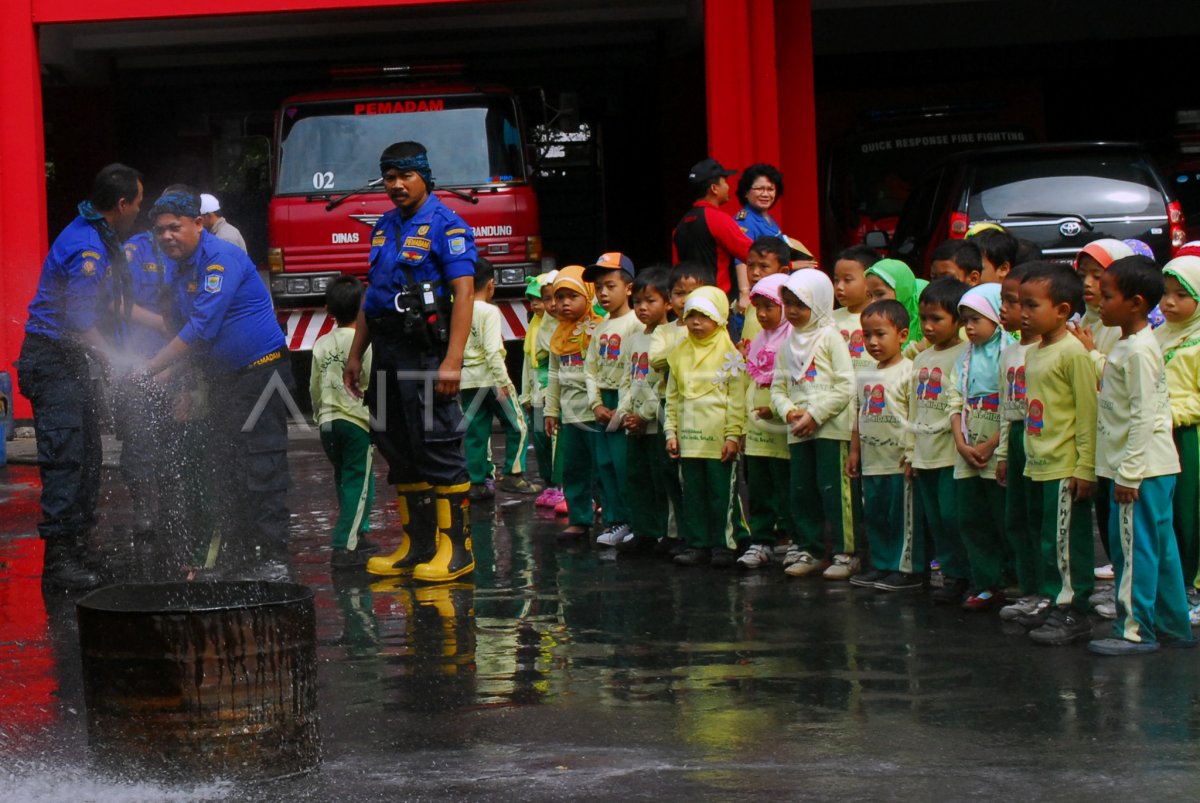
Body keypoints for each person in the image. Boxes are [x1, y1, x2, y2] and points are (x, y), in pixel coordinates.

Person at [142, 185, 294, 581]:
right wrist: (182, 381)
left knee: (263, 465)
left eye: (174, 227)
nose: (166, 237)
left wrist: (150, 367)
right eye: (159, 231)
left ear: (198, 223)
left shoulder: (221, 259)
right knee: (225, 469)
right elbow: (180, 330)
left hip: (261, 374)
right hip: (222, 380)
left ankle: (273, 558)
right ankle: (239, 556)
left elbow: (202, 330)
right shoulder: (178, 269)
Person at [344, 141, 478, 583]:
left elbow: (463, 293)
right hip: (385, 350)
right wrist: (355, 352)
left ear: (425, 176)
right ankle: (416, 545)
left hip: (425, 352)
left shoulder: (446, 224)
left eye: (406, 176)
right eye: (389, 177)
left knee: (437, 445)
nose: (397, 185)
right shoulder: (382, 226)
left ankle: (456, 550)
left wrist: (453, 360)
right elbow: (373, 294)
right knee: (396, 446)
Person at [17, 162, 144, 589]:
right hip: (52, 360)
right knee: (66, 460)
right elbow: (79, 320)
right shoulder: (87, 248)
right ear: (122, 204)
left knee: (88, 456)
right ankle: (59, 563)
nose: (138, 213)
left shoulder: (98, 234)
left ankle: (80, 547)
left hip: (70, 362)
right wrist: (113, 357)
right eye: (138, 204)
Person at [1088, 255, 1194, 654]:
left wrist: (1128, 474)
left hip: (1140, 470)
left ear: (1134, 302)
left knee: (1131, 550)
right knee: (1159, 549)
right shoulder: (1132, 343)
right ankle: (1174, 626)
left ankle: (1134, 630)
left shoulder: (1136, 350)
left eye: (1108, 295)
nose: (1100, 301)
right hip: (1154, 466)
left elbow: (1144, 414)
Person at [1017, 263, 1098, 645]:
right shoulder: (1035, 351)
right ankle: (1054, 600)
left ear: (1063, 310)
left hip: (1066, 466)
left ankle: (1074, 609)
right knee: (1047, 539)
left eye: (1032, 306)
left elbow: (1087, 412)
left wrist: (1086, 467)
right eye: (1020, 305)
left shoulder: (1073, 354)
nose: (1023, 314)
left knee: (1066, 541)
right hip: (1039, 463)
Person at [771, 269, 858, 579]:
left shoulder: (830, 337)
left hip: (829, 428)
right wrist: (789, 411)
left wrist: (815, 414)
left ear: (818, 304)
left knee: (833, 490)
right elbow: (777, 389)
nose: (792, 312)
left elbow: (846, 386)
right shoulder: (787, 344)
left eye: (800, 304)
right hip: (799, 430)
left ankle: (845, 553)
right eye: (788, 304)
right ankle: (812, 549)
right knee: (803, 491)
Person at [664, 286, 749, 567]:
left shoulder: (730, 354)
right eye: (691, 315)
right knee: (693, 494)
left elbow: (736, 400)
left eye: (704, 315)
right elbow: (673, 397)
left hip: (718, 440)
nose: (696, 323)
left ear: (720, 317)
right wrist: (671, 433)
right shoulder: (678, 354)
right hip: (689, 440)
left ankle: (725, 543)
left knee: (721, 493)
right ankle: (697, 543)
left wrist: (733, 436)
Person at [847, 299, 922, 591]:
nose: (872, 342)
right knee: (875, 513)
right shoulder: (865, 374)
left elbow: (916, 415)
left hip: (898, 459)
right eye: (866, 335)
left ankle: (906, 569)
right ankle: (881, 564)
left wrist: (913, 452)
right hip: (872, 458)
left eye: (880, 334)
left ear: (902, 335)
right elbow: (858, 412)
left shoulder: (910, 371)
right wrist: (855, 451)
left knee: (900, 515)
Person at [950, 284, 1014, 611]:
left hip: (996, 449)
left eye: (976, 318)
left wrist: (992, 444)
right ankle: (986, 582)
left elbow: (1013, 405)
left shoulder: (1011, 351)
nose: (969, 327)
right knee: (971, 518)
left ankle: (1013, 579)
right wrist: (961, 443)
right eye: (964, 320)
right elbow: (954, 401)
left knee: (1003, 518)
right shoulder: (964, 358)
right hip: (968, 450)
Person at [907, 278, 970, 603]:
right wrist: (911, 451)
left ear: (958, 320)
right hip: (924, 453)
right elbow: (913, 406)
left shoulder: (965, 355)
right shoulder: (920, 358)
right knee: (935, 519)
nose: (928, 327)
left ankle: (964, 574)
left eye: (937, 319)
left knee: (952, 516)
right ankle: (950, 575)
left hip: (951, 454)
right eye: (924, 318)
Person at [310, 276, 377, 568]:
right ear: (364, 306)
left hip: (328, 422)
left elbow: (314, 385)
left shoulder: (321, 343)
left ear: (328, 309)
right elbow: (373, 382)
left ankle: (358, 533)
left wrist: (318, 415)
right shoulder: (363, 342)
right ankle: (344, 545)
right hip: (355, 422)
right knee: (359, 480)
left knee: (346, 479)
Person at [460, 258, 538, 499]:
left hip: (467, 381)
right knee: (519, 424)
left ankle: (478, 482)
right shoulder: (490, 311)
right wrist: (504, 381)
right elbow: (493, 350)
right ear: (491, 284)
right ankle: (513, 475)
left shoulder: (459, 309)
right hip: (491, 378)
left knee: (476, 432)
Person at [995, 262, 1046, 622]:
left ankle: (1050, 591)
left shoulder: (1049, 349)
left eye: (1015, 302)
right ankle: (1029, 589)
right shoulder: (1009, 350)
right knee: (1018, 518)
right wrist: (1001, 453)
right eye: (1009, 301)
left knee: (1041, 518)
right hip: (1014, 435)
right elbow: (1003, 404)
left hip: (1039, 435)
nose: (1009, 311)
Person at [615, 267, 674, 552]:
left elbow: (663, 384)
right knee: (636, 476)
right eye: (638, 301)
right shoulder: (635, 338)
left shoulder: (671, 336)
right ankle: (644, 530)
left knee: (660, 477)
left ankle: (665, 531)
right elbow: (628, 378)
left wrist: (645, 416)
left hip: (655, 421)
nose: (642, 308)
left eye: (651, 301)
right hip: (634, 421)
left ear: (668, 303)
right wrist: (624, 412)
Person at [1155, 252, 1200, 625]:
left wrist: (1173, 414)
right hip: (1159, 435)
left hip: (1190, 438)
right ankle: (1171, 586)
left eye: (1180, 295)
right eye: (1164, 293)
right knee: (1167, 514)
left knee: (1191, 512)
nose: (1168, 302)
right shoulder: (1157, 335)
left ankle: (1191, 585)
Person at [584, 253, 641, 547]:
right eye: (598, 287)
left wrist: (624, 407)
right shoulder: (600, 327)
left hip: (624, 401)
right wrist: (595, 404)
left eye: (610, 286)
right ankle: (616, 520)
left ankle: (635, 521)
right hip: (604, 404)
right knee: (605, 464)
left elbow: (638, 371)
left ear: (629, 288)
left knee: (625, 465)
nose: (603, 293)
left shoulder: (635, 324)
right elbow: (590, 367)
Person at [543, 266, 603, 540]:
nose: (564, 303)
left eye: (572, 296)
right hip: (570, 414)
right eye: (560, 297)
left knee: (603, 469)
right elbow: (553, 376)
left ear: (588, 296)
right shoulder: (557, 335)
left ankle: (615, 518)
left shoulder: (598, 331)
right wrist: (551, 411)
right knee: (574, 469)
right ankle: (580, 519)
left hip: (595, 412)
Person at [737, 273, 792, 569]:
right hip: (757, 427)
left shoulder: (793, 340)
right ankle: (761, 540)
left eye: (769, 307)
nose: (762, 314)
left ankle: (794, 540)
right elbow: (749, 382)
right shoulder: (759, 340)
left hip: (782, 427)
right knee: (758, 485)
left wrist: (775, 407)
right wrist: (744, 425)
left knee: (786, 484)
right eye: (757, 307)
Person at [671, 158, 753, 311]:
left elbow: (677, 271)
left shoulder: (680, 226)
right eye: (725, 182)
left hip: (689, 306)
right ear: (714, 188)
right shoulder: (718, 219)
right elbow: (751, 254)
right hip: (717, 305)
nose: (728, 187)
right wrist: (787, 264)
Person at [520, 272, 561, 506]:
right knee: (541, 440)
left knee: (557, 442)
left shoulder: (565, 324)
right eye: (539, 299)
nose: (544, 304)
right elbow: (529, 361)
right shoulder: (537, 326)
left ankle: (561, 485)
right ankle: (549, 484)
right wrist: (525, 393)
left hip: (554, 395)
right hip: (537, 393)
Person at [833, 245, 882, 375]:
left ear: (870, 282)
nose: (839, 287)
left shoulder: (881, 318)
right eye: (836, 280)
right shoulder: (829, 318)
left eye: (847, 280)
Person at [739, 236, 792, 348]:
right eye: (751, 265)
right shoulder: (752, 300)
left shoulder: (788, 307)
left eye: (764, 266)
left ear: (783, 271)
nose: (755, 272)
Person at [864, 258, 928, 352]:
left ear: (901, 291)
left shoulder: (927, 319)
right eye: (869, 295)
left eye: (880, 294)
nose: (873, 302)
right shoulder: (872, 318)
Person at [734, 163, 786, 243]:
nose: (765, 194)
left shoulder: (766, 216)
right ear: (746, 192)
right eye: (759, 189)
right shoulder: (744, 222)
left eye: (770, 189)